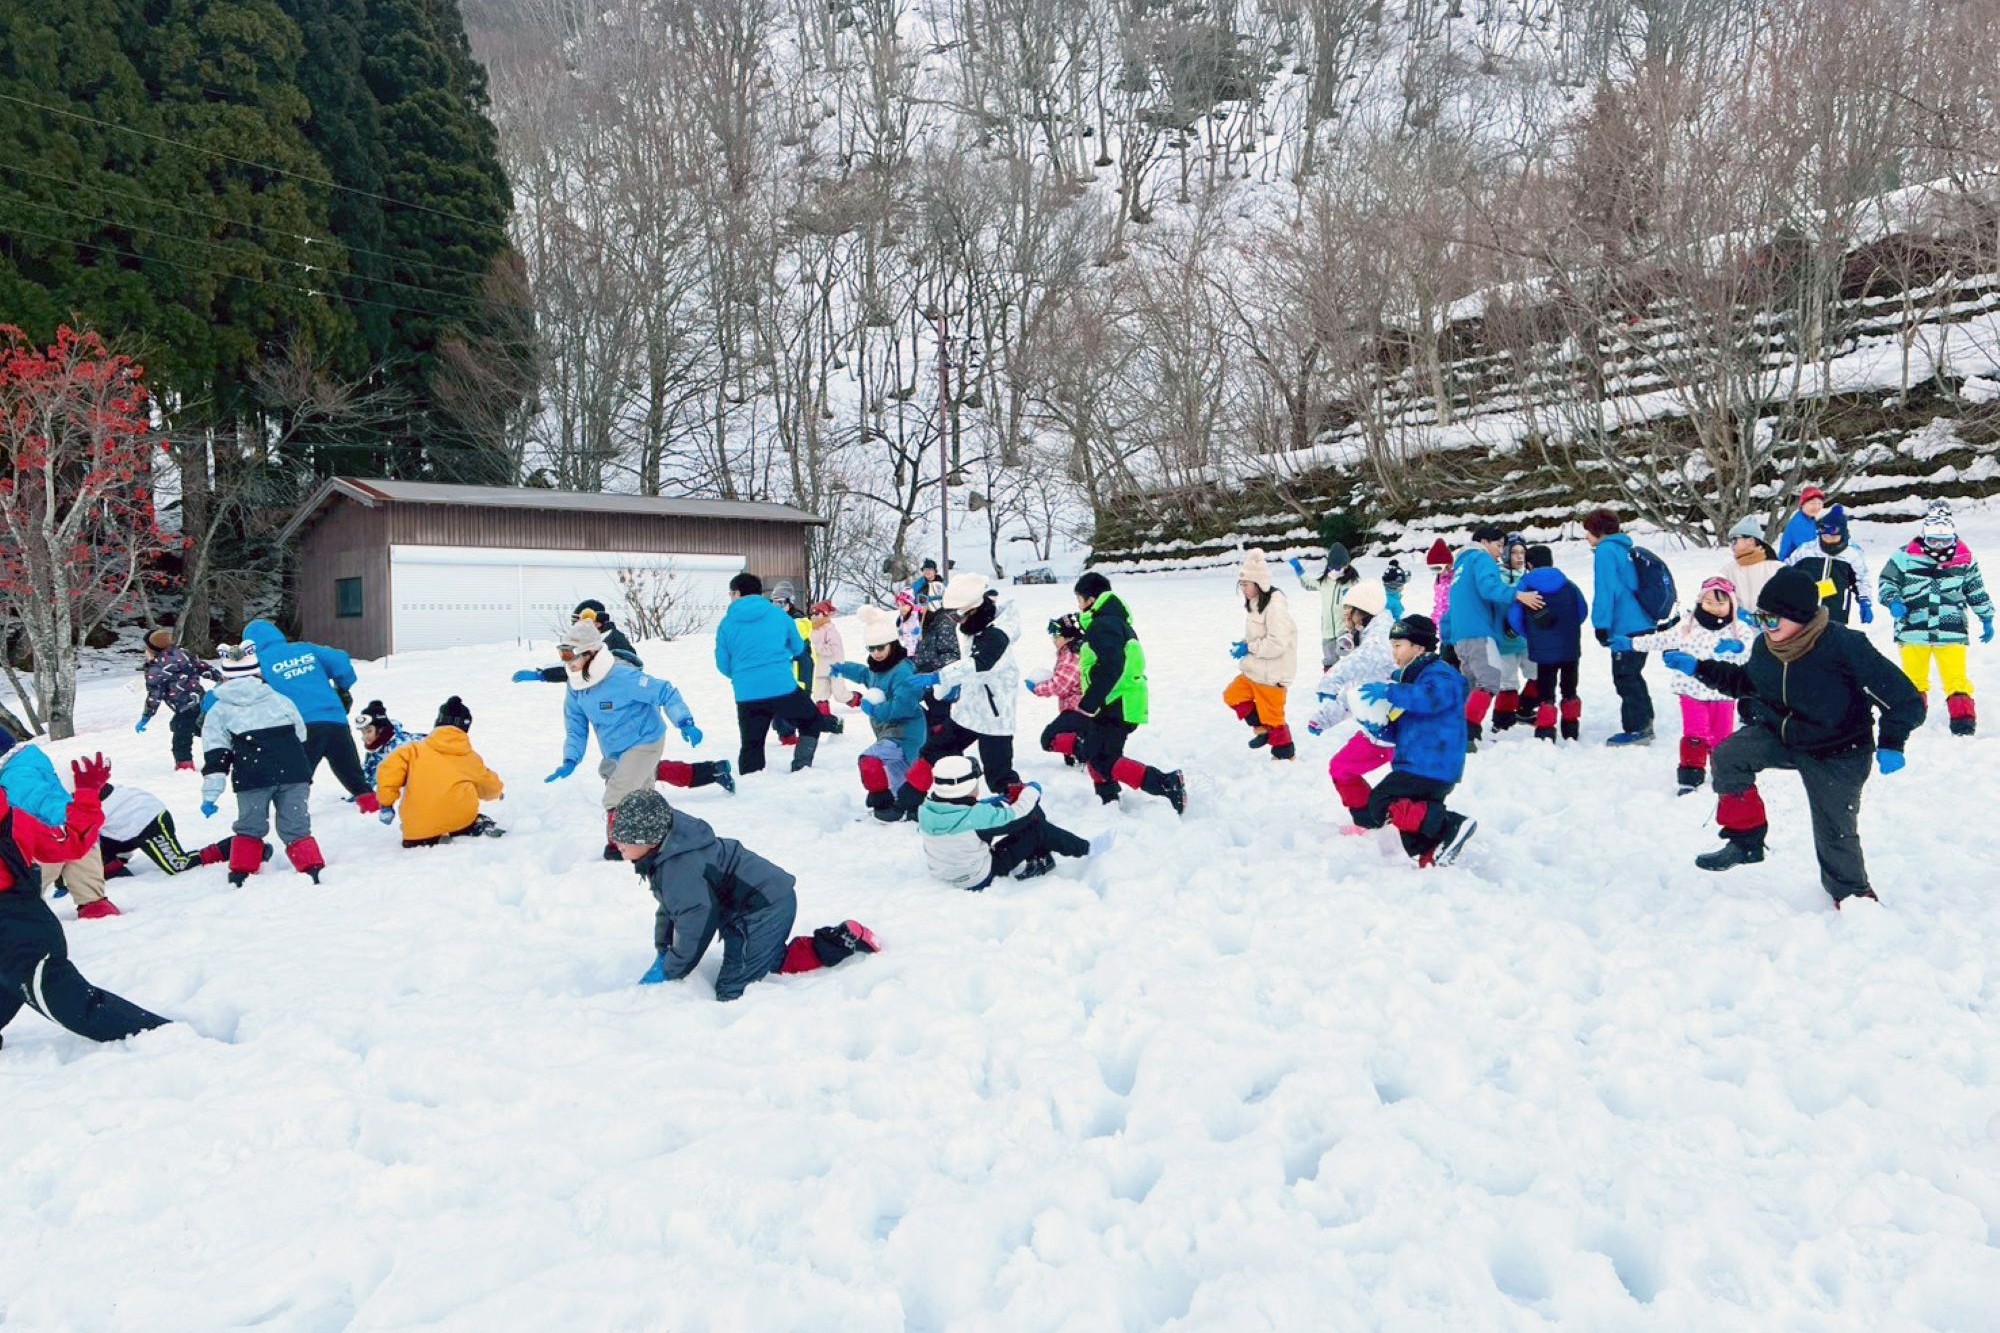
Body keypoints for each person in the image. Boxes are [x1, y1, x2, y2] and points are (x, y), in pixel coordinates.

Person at [1670, 565, 1923, 907]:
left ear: (1801, 618)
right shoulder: (1766, 647)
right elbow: (1749, 684)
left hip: (1839, 750)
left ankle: (1852, 895)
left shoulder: (1845, 646)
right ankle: (1745, 840)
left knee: (1834, 830)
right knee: (1730, 755)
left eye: (1773, 620)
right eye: (1761, 618)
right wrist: (1700, 668)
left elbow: (1904, 699)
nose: (1766, 627)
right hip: (1784, 735)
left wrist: (1893, 742)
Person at [611, 790, 879, 1001]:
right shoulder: (669, 853)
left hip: (763, 908)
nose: (618, 846)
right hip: (753, 905)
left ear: (650, 838)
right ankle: (843, 939)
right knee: (766, 958)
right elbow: (671, 908)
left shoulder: (681, 868)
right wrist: (663, 949)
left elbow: (695, 922)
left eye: (625, 841)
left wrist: (671, 968)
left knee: (732, 990)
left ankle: (824, 966)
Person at [0, 750, 170, 1049]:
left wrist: (88, 796)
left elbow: (72, 842)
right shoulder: (15, 818)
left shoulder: (14, 822)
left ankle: (161, 1037)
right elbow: (73, 840)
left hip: (21, 937)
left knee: (71, 1002)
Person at [548, 620, 731, 860]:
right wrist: (570, 758)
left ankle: (618, 845)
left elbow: (665, 691)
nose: (569, 664)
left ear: (591, 653)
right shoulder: (576, 686)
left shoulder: (622, 677)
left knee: (617, 792)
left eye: (573, 657)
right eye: (564, 657)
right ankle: (657, 836)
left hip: (645, 740)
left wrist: (685, 722)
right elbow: (576, 726)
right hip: (614, 749)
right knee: (640, 794)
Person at [1350, 615, 1478, 867]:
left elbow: (1431, 698)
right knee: (1410, 818)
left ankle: (1450, 823)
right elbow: (1408, 725)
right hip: (1418, 762)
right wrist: (1379, 729)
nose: (1393, 652)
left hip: (1432, 763)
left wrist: (1390, 691)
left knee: (1382, 801)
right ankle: (1431, 853)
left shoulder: (1440, 674)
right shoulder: (1413, 680)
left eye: (1398, 645)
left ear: (1419, 647)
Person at [201, 639, 324, 886]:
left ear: (224, 678)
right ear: (257, 672)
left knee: (250, 824)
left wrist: (211, 794)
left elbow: (217, 753)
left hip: (252, 776)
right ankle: (312, 867)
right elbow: (301, 733)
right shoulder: (279, 699)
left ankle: (242, 872)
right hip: (294, 771)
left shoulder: (219, 711)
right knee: (296, 823)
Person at [1064, 572, 1185, 812]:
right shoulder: (1111, 622)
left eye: (1079, 599)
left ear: (1090, 599)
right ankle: (1108, 798)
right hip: (1115, 700)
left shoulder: (1104, 624)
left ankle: (1165, 783)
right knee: (1096, 753)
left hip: (1116, 702)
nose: (1078, 605)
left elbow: (1112, 665)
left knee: (1104, 759)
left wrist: (1090, 702)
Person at [1619, 578, 1746, 793]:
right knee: (1695, 734)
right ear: (1700, 601)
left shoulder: (1738, 629)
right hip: (1691, 691)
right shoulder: (1688, 625)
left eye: (1720, 603)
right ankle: (1690, 776)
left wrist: (1738, 646)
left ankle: (1723, 772)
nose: (1714, 608)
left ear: (1732, 604)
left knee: (1722, 737)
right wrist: (1633, 643)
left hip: (1722, 694)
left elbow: (1751, 649)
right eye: (1708, 602)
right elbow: (1662, 639)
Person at [1880, 500, 1993, 736]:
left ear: (1953, 537)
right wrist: (1893, 601)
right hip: (1913, 627)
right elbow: (1887, 581)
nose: (1939, 546)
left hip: (1951, 630)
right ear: (1923, 535)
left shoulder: (1964, 558)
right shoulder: (1904, 556)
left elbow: (1975, 589)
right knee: (1913, 679)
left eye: (1945, 541)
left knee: (1956, 677)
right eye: (1933, 540)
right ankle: (1912, 718)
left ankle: (1963, 722)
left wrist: (1986, 616)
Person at [241, 618, 376, 812]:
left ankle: (290, 813)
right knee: (350, 770)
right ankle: (370, 804)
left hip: (301, 727)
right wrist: (343, 687)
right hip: (335, 720)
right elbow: (340, 660)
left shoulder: (258, 664)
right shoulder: (306, 649)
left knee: (297, 776)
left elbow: (242, 691)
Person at [919, 756, 1104, 889]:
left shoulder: (927, 808)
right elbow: (1019, 814)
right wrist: (1032, 790)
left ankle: (1041, 856)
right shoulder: (978, 818)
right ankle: (1087, 848)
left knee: (1013, 823)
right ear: (965, 786)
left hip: (943, 870)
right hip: (976, 878)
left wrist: (994, 802)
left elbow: (963, 815)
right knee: (1036, 825)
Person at [1303, 580, 1397, 827]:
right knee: (1341, 768)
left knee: (1407, 793)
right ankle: (1369, 820)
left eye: (1348, 612)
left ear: (1363, 613)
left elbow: (1359, 663)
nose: (1345, 617)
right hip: (1377, 731)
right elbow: (1357, 691)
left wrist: (1330, 681)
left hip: (1400, 731)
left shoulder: (1381, 639)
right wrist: (1325, 716)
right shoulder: (1367, 639)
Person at [714, 573, 828, 775]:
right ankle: (801, 768)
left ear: (738, 593)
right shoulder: (780, 616)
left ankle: (751, 787)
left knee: (752, 744)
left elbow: (723, 664)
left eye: (731, 593)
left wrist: (742, 675)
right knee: (812, 720)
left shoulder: (726, 624)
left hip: (747, 692)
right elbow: (798, 648)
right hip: (781, 687)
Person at [0, 735, 122, 918]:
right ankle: (93, 903)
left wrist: (65, 821)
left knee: (18, 887)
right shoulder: (24, 765)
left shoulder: (17, 776)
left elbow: (41, 799)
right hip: (71, 834)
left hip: (49, 842)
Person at [831, 608, 929, 821]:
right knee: (901, 780)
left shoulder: (903, 671)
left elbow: (903, 706)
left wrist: (876, 710)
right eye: (871, 648)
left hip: (905, 733)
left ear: (892, 643)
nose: (876, 652)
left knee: (870, 760)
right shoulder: (879, 668)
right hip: (888, 731)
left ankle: (883, 805)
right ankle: (911, 809)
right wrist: (842, 668)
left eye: (880, 647)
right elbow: (865, 674)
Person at [376, 696, 506, 847]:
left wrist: (386, 804)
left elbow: (388, 774)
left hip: (418, 830)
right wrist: (497, 792)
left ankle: (426, 836)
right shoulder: (469, 757)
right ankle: (476, 825)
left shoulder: (412, 751)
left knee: (420, 827)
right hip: (460, 821)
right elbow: (488, 784)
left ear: (438, 722)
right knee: (472, 816)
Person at [932, 574, 1023, 789]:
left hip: (994, 716)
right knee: (936, 750)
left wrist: (940, 676)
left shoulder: (997, 634)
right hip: (969, 709)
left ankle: (1024, 815)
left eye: (958, 616)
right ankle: (917, 798)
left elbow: (980, 663)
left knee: (999, 776)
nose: (956, 621)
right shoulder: (971, 625)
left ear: (973, 609)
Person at [1443, 525, 1526, 749]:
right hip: (1479, 632)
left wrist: (1446, 638)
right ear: (1485, 542)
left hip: (1461, 636)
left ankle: (1454, 729)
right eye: (1498, 546)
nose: (1500, 553)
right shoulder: (1481, 559)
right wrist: (1517, 595)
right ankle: (1467, 733)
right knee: (1489, 681)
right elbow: (1489, 588)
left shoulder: (1460, 568)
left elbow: (1450, 610)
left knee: (1471, 684)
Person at [1584, 507, 1657, 746]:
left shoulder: (1605, 551)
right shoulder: (1624, 549)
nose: (1586, 536)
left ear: (1597, 531)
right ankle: (1644, 722)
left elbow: (1607, 590)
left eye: (1588, 531)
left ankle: (1638, 728)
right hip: (1643, 621)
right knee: (1633, 674)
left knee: (1625, 675)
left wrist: (1601, 624)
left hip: (1626, 625)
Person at [1504, 546, 1588, 742]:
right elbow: (1582, 610)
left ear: (1529, 564)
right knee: (1570, 688)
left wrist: (1531, 634)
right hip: (1570, 646)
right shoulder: (1568, 585)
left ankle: (1546, 730)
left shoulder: (1525, 586)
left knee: (1546, 690)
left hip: (1542, 650)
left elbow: (1515, 617)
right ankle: (1571, 727)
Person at [1224, 550, 1300, 759]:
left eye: (1246, 585)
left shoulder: (1275, 606)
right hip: (1255, 670)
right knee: (1233, 696)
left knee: (1274, 718)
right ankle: (1262, 728)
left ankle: (1284, 755)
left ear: (1260, 584)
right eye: (1241, 585)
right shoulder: (1254, 603)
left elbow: (1278, 643)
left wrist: (1249, 648)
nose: (1243, 590)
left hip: (1273, 673)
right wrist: (1244, 643)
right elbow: (1259, 636)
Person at [95, 781, 233, 878]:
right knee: (87, 842)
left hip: (148, 820)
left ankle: (234, 846)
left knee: (178, 865)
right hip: (118, 824)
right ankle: (109, 863)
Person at [136, 628, 220, 772]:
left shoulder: (156, 668)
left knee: (182, 737)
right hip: (201, 701)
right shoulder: (184, 654)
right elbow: (204, 668)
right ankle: (230, 749)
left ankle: (184, 765)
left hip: (184, 707)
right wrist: (222, 678)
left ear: (152, 649)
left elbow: (154, 695)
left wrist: (146, 716)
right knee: (205, 729)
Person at [513, 600, 644, 682]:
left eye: (580, 623)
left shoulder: (612, 642)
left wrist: (543, 675)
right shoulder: (596, 639)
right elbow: (575, 664)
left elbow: (582, 669)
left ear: (596, 622)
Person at [1787, 504, 1874, 626]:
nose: (1828, 538)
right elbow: (1785, 572)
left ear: (1842, 533)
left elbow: (1862, 579)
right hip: (1803, 612)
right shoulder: (1806, 550)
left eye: (1833, 533)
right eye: (1824, 533)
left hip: (1835, 612)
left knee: (1830, 643)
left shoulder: (1852, 554)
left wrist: (1865, 602)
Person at [1289, 541, 1358, 669]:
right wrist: (1299, 569)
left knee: (1349, 658)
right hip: (1328, 630)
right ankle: (1329, 683)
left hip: (1345, 630)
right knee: (1330, 661)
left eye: (1337, 568)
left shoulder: (1353, 583)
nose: (1334, 571)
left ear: (1346, 566)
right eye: (1331, 568)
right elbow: (1309, 583)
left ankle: (1353, 678)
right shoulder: (1325, 582)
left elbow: (1364, 602)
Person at [1026, 613, 1085, 763]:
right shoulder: (1071, 651)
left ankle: (1087, 753)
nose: (1053, 639)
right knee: (1067, 739)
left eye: (1056, 636)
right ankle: (1077, 759)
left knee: (1049, 738)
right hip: (1076, 708)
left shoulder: (1072, 654)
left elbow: (1061, 685)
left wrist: (1037, 688)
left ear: (1069, 637)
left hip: (1079, 709)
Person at [352, 700, 423, 790]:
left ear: (381, 729)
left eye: (369, 731)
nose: (364, 737)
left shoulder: (404, 748)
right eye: (363, 732)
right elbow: (366, 783)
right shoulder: (376, 753)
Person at [1720, 517, 1782, 612]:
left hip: (1771, 624)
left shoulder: (1777, 568)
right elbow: (1718, 598)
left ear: (1750, 540)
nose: (1732, 545)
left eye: (1735, 540)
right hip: (1739, 625)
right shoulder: (1727, 571)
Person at [807, 600, 848, 721]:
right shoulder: (811, 630)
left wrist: (818, 648)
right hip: (819, 667)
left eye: (817, 614)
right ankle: (824, 718)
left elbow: (834, 649)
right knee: (820, 694)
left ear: (824, 614)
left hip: (833, 667)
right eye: (812, 614)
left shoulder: (830, 629)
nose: (814, 617)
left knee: (839, 694)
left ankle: (856, 700)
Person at [1778, 485, 1829, 561]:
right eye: (1812, 503)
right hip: (1791, 566)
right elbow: (1809, 550)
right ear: (1802, 504)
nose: (1816, 507)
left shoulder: (1810, 519)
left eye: (1819, 503)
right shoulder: (1799, 523)